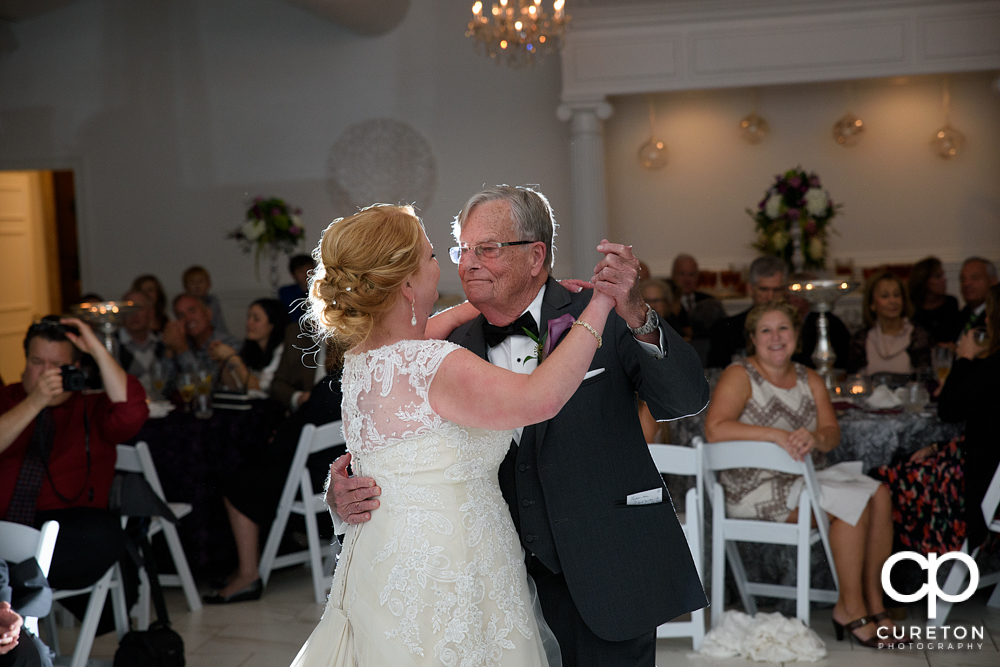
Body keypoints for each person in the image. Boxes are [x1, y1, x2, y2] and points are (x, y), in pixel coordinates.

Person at [327, 188, 710, 667]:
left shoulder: (607, 312)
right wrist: (343, 489)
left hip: (605, 565)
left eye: (486, 249)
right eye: (460, 250)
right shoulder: (440, 348)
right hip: (484, 582)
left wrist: (635, 312)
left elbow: (685, 401)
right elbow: (392, 436)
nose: (467, 264)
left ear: (536, 256)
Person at [704, 300, 898, 648]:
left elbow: (831, 432)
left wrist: (816, 437)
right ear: (753, 337)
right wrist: (775, 435)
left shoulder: (810, 378)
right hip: (755, 489)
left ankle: (875, 602)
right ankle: (849, 607)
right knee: (852, 503)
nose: (776, 337)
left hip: (805, 480)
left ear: (797, 336)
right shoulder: (740, 374)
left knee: (880, 494)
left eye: (784, 329)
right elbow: (715, 429)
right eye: (766, 330)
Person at [0, 317, 147, 631]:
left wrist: (95, 347)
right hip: (4, 528)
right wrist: (35, 402)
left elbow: (132, 413)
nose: (45, 373)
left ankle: (10, 586)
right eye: (37, 362)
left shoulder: (92, 407)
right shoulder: (9, 400)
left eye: (57, 365)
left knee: (106, 536)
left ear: (75, 368)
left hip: (66, 531)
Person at [207, 369, 345, 604]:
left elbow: (289, 440)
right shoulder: (362, 381)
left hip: (314, 484)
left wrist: (278, 438)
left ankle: (248, 573)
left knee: (238, 485)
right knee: (257, 471)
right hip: (337, 479)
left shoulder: (331, 385)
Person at [847, 271, 932, 375]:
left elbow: (927, 380)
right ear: (872, 304)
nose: (893, 301)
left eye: (897, 295)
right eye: (885, 296)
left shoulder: (919, 336)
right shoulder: (861, 340)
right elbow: (852, 380)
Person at [207, 299, 288, 396]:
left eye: (256, 319)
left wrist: (233, 358)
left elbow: (258, 391)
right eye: (248, 317)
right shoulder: (250, 350)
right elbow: (234, 387)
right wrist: (221, 361)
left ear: (272, 324)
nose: (249, 323)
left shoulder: (282, 351)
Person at [163, 293, 241, 375]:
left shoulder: (229, 344)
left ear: (208, 314)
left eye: (192, 311)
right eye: (181, 316)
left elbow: (209, 385)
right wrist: (169, 349)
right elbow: (164, 384)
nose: (188, 318)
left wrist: (182, 350)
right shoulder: (182, 342)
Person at [672, 253, 725, 365]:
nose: (687, 279)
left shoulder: (710, 301)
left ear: (697, 277)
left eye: (691, 274)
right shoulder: (667, 303)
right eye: (682, 274)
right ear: (673, 275)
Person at [118, 290, 172, 398]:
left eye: (139, 308)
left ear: (151, 313)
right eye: (129, 309)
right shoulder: (112, 344)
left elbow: (170, 384)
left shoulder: (162, 342)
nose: (134, 314)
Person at [908, 256, 963, 344]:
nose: (944, 280)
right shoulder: (912, 307)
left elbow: (956, 337)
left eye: (943, 275)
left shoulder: (950, 303)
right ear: (924, 281)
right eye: (938, 276)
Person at [182, 265, 231, 339]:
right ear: (185, 286)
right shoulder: (183, 305)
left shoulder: (213, 301)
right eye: (192, 282)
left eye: (200, 281)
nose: (197, 285)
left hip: (217, 337)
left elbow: (219, 325)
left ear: (208, 284)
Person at [957, 257, 998, 336]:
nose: (966, 284)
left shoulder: (994, 316)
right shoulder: (964, 313)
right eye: (963, 280)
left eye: (975, 278)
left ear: (992, 281)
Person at [279, 254, 315, 319]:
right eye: (301, 271)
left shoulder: (322, 291)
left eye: (309, 270)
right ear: (293, 274)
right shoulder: (287, 292)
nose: (306, 274)